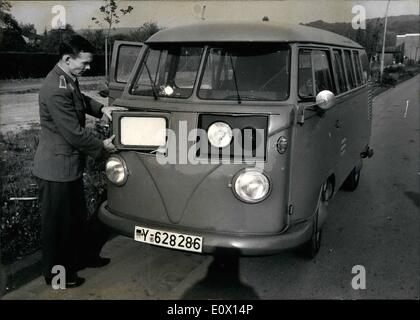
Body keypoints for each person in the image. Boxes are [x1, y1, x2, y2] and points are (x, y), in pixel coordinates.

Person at [33, 35, 124, 288]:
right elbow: (72, 132)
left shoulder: (66, 80)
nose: (88, 68)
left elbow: (79, 100)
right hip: (55, 169)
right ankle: (56, 275)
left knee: (74, 219)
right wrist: (101, 147)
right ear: (66, 59)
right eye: (84, 63)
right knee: (56, 225)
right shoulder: (54, 88)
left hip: (67, 166)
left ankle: (81, 258)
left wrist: (101, 109)